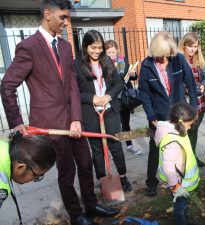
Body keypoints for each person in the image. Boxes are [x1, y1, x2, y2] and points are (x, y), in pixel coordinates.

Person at [0, 1, 119, 225]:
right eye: (63, 17)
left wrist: (76, 118)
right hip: (49, 125)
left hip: (73, 122)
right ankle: (76, 215)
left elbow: (73, 85)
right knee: (67, 171)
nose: (66, 22)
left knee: (85, 164)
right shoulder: (29, 46)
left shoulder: (65, 47)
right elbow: (7, 85)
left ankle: (91, 206)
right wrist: (17, 122)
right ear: (47, 14)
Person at [138, 31, 198, 197]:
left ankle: (181, 179)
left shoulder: (178, 60)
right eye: (162, 55)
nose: (166, 58)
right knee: (155, 149)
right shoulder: (147, 66)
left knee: (180, 148)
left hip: (179, 113)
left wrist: (193, 108)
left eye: (168, 54)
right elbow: (143, 93)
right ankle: (151, 183)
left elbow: (191, 84)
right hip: (160, 117)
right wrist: (151, 117)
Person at [75, 30, 132, 192]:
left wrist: (109, 95)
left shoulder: (106, 60)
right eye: (93, 47)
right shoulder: (77, 65)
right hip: (90, 113)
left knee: (115, 145)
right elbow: (73, 92)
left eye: (100, 48)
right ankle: (102, 180)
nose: (97, 51)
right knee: (97, 150)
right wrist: (91, 98)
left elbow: (119, 84)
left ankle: (123, 177)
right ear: (85, 46)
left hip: (109, 111)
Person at [155, 102, 200, 225]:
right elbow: (168, 166)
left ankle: (184, 219)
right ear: (182, 122)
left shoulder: (177, 131)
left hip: (180, 182)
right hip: (178, 184)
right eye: (190, 124)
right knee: (179, 208)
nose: (190, 127)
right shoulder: (172, 141)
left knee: (182, 205)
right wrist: (175, 187)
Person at [105, 39, 142, 155]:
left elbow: (133, 78)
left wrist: (133, 74)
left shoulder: (123, 60)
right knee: (112, 125)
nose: (111, 55)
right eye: (109, 52)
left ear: (117, 51)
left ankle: (129, 145)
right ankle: (113, 150)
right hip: (111, 98)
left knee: (125, 123)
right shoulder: (103, 64)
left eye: (113, 52)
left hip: (124, 98)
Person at [0, 133, 56, 210]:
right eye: (37, 176)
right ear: (20, 167)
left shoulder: (3, 144)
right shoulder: (2, 187)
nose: (34, 180)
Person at [178, 32, 205, 168]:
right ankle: (184, 158)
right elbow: (177, 81)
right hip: (186, 100)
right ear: (184, 46)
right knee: (185, 130)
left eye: (195, 46)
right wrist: (187, 88)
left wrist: (203, 84)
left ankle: (193, 155)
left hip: (200, 99)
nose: (193, 49)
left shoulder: (199, 60)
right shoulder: (179, 60)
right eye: (190, 46)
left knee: (195, 129)